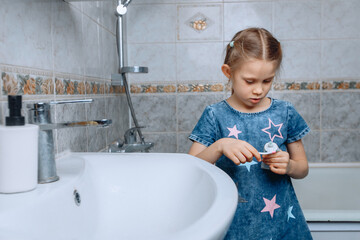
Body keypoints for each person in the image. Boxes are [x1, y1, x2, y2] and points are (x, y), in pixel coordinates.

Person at [188, 28, 312, 240]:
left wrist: (289, 165)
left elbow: (302, 169)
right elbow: (191, 170)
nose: (259, 90)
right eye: (250, 81)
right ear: (228, 72)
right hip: (233, 220)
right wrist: (219, 146)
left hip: (280, 220)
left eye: (267, 81)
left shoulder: (285, 112)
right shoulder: (214, 115)